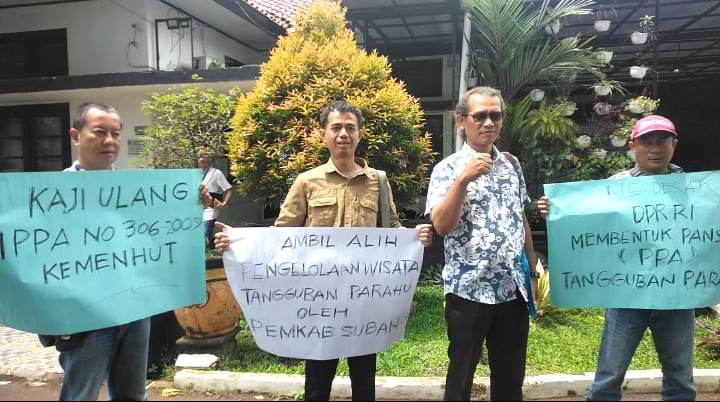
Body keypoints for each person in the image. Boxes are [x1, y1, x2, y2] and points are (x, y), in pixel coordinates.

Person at [215, 100, 433, 401]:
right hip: (319, 304)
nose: (343, 133)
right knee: (317, 383)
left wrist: (415, 236)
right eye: (336, 128)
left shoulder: (379, 182)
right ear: (323, 135)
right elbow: (282, 235)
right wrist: (237, 241)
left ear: (360, 134)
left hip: (362, 301)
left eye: (350, 128)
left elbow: (392, 230)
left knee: (364, 380)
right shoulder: (307, 182)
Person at [38, 102, 212, 401]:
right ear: (75, 136)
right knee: (80, 395)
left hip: (134, 311)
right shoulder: (50, 195)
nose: (109, 141)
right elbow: (36, 256)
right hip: (84, 317)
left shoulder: (137, 191)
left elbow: (162, 237)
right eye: (99, 132)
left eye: (116, 134)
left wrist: (192, 205)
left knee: (132, 396)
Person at [537, 114, 696, 401]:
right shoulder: (615, 185)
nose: (655, 148)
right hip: (627, 296)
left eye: (662, 141)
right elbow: (585, 221)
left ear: (675, 144)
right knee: (608, 379)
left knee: (681, 381)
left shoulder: (697, 189)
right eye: (647, 141)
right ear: (633, 146)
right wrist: (555, 209)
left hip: (677, 297)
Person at [425, 86, 539, 401]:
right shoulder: (446, 170)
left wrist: (532, 268)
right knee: (461, 376)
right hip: (468, 292)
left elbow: (521, 219)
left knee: (510, 377)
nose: (489, 122)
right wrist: (463, 180)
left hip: (511, 290)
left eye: (495, 115)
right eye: (480, 116)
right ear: (461, 120)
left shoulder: (512, 165)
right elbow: (442, 226)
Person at [198, 152, 233, 249]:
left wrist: (224, 203)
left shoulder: (216, 173)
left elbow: (229, 190)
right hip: (196, 207)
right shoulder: (195, 173)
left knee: (206, 230)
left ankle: (207, 252)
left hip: (211, 206)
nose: (202, 160)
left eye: (205, 158)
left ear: (209, 160)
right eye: (200, 158)